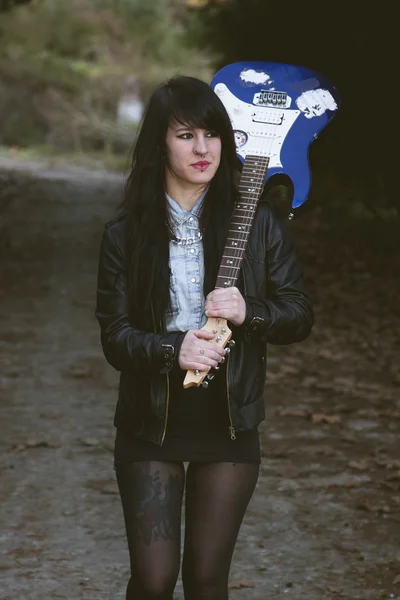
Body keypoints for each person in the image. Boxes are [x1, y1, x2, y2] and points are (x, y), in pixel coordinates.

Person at [95, 75, 313, 600]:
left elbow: (298, 314)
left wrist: (250, 311)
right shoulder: (125, 234)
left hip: (229, 424)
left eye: (212, 134)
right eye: (186, 135)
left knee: (207, 579)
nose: (202, 149)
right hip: (151, 421)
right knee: (152, 580)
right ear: (159, 144)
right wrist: (174, 349)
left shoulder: (257, 224)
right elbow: (116, 337)